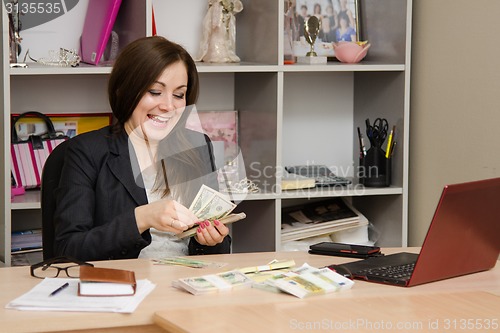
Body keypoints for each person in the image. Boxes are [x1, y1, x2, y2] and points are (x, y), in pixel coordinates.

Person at [53, 36, 231, 261]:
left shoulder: (196, 146)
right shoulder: (86, 151)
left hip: (187, 285)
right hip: (124, 287)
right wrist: (140, 219)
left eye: (179, 95)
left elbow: (219, 251)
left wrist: (211, 240)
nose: (168, 106)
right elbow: (67, 249)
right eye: (155, 92)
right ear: (125, 90)